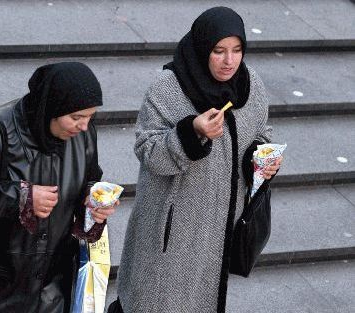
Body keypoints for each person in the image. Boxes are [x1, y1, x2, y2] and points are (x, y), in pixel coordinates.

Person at [113, 7, 282, 313]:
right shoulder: (167, 88)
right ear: (203, 47)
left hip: (218, 233)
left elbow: (261, 132)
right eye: (219, 51)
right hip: (170, 238)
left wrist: (261, 160)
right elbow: (148, 151)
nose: (229, 61)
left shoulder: (250, 85)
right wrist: (191, 132)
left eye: (237, 50)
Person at [0, 62, 118, 313]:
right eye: (76, 117)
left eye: (90, 117)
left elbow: (89, 180)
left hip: (49, 289)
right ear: (51, 107)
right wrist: (22, 198)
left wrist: (95, 204)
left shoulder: (82, 137)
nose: (84, 126)